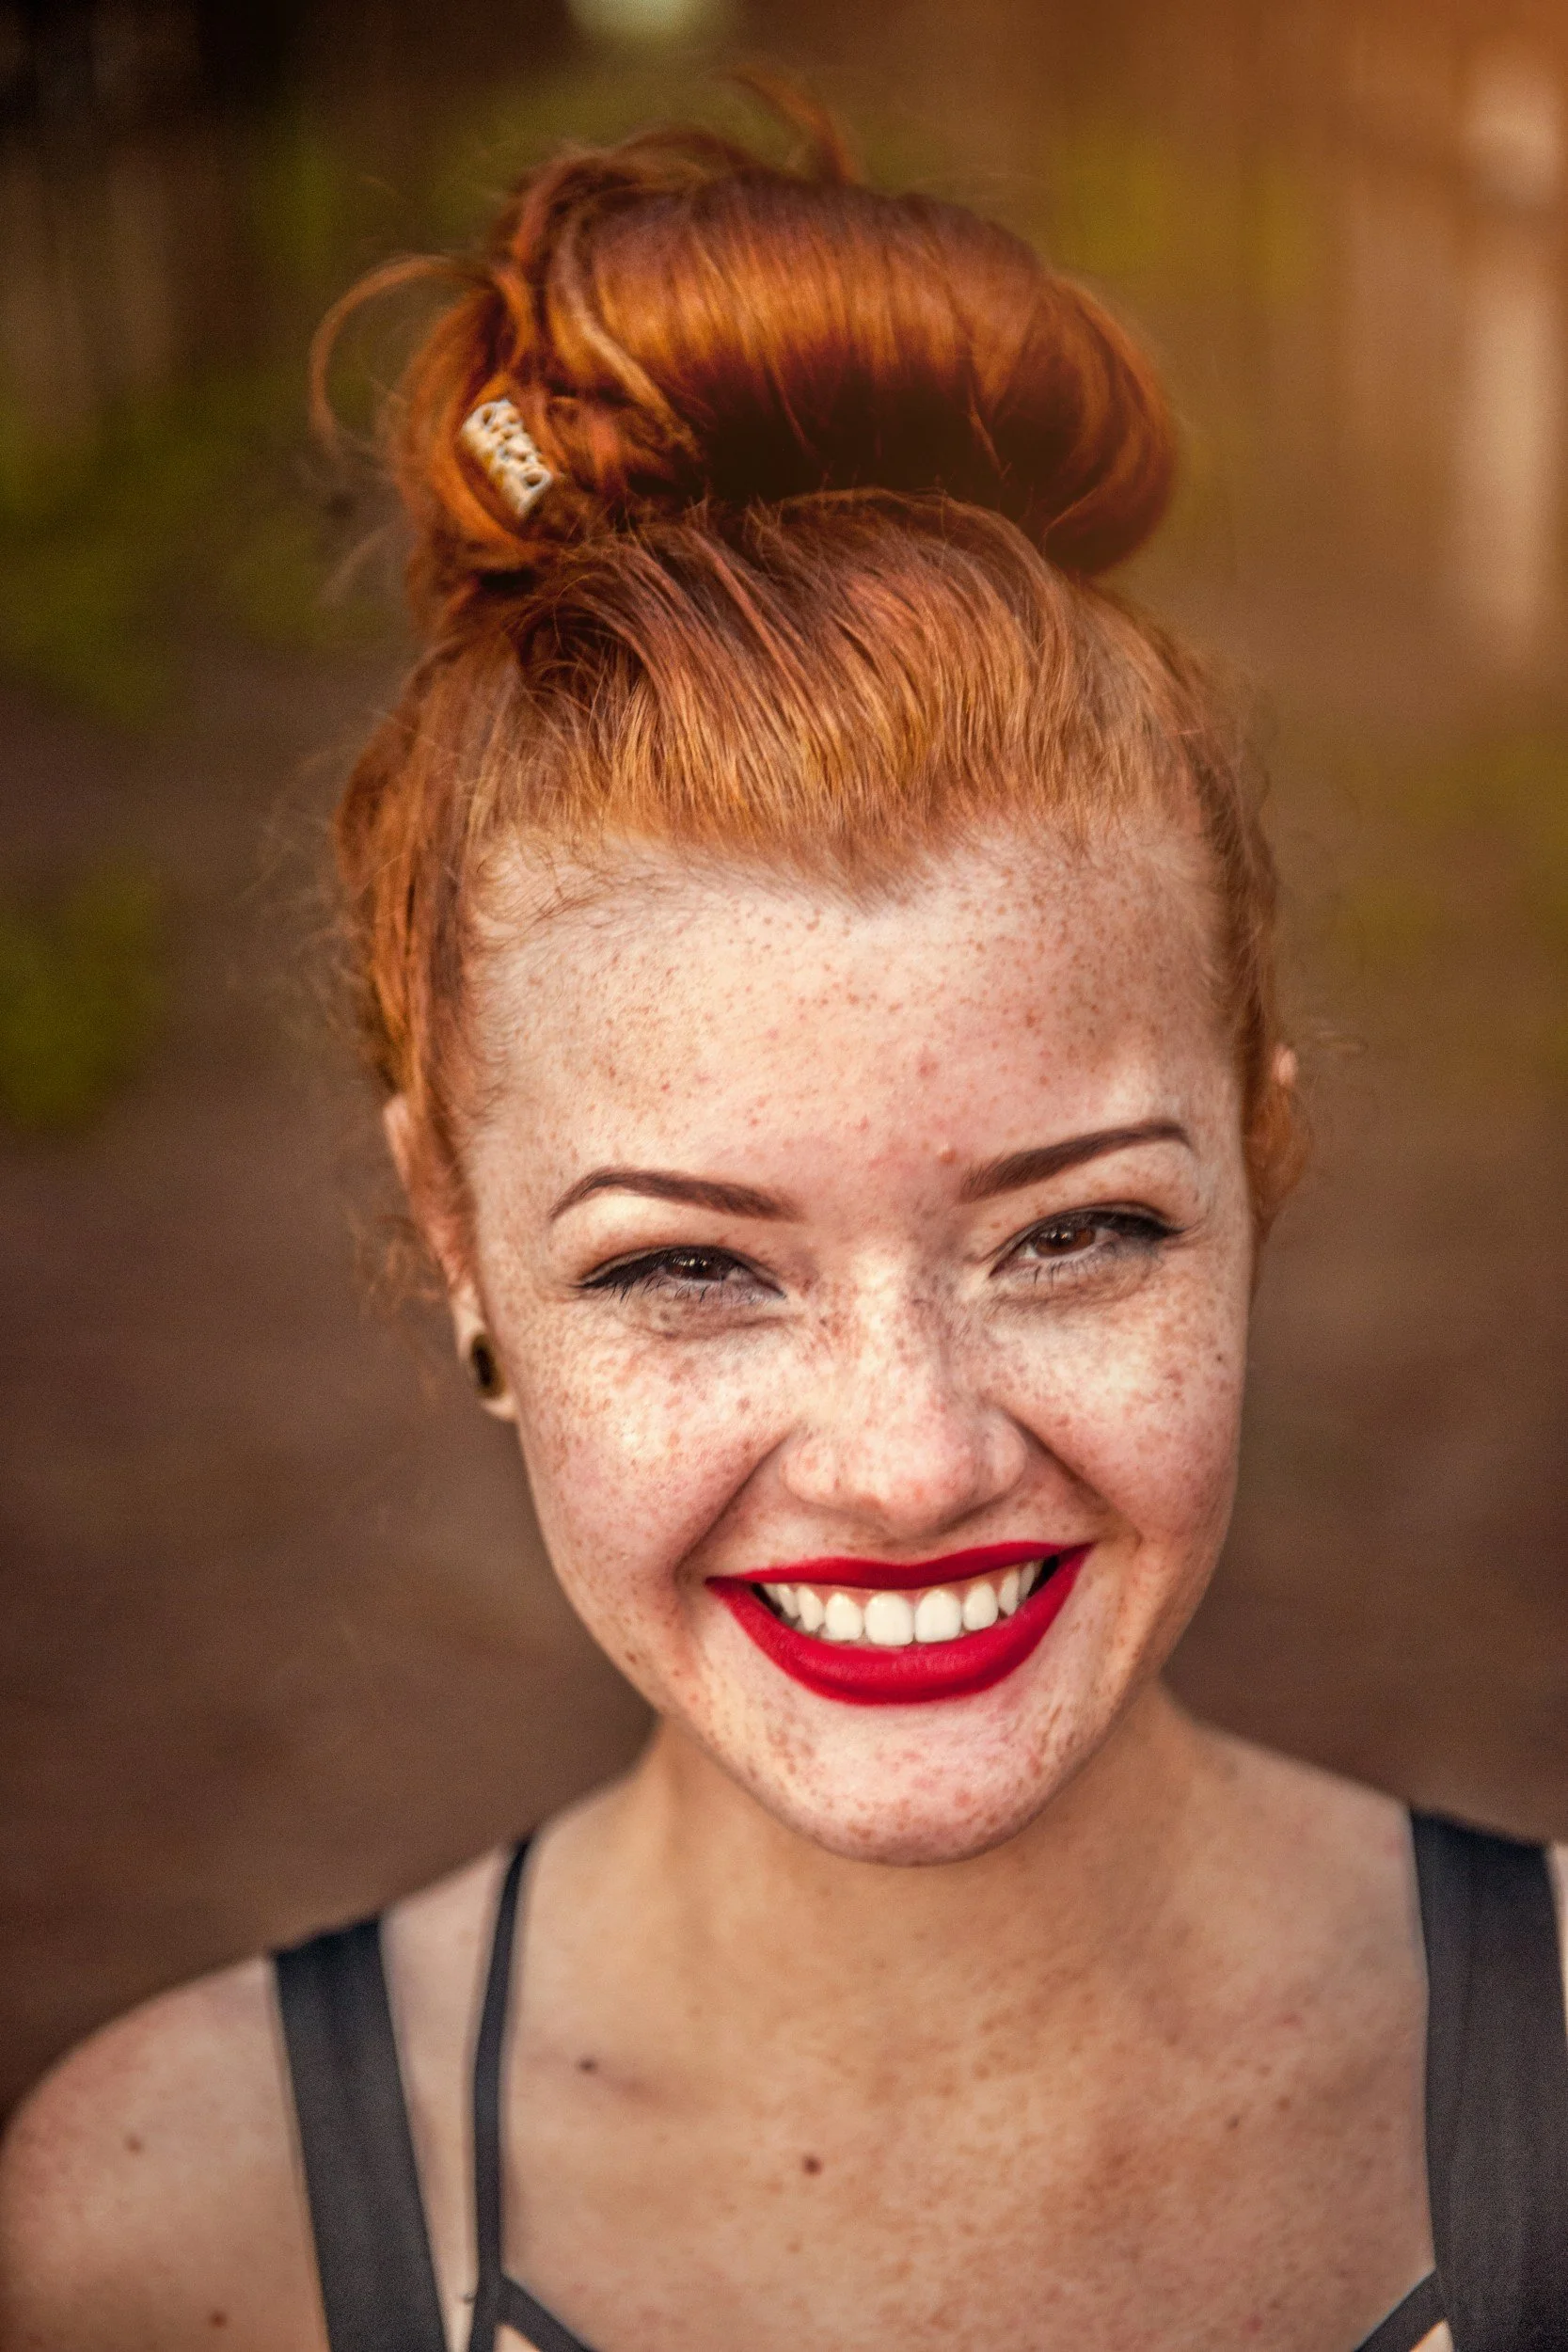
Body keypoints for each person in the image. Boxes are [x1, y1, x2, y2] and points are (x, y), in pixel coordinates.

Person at [1, 95, 1563, 2352]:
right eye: (681, 1263)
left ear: (1261, 1161)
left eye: (1073, 1233)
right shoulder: (173, 2235)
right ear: (459, 1239)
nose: (908, 1459)